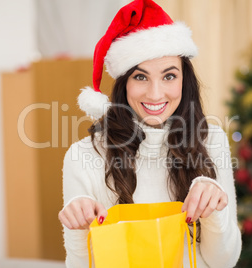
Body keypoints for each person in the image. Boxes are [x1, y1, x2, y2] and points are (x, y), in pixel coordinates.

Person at [58, 0, 242, 267]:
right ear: (124, 83)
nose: (155, 94)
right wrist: (78, 229)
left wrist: (213, 212)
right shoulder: (82, 155)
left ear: (184, 80)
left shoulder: (211, 141)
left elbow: (224, 261)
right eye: (140, 77)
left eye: (169, 76)